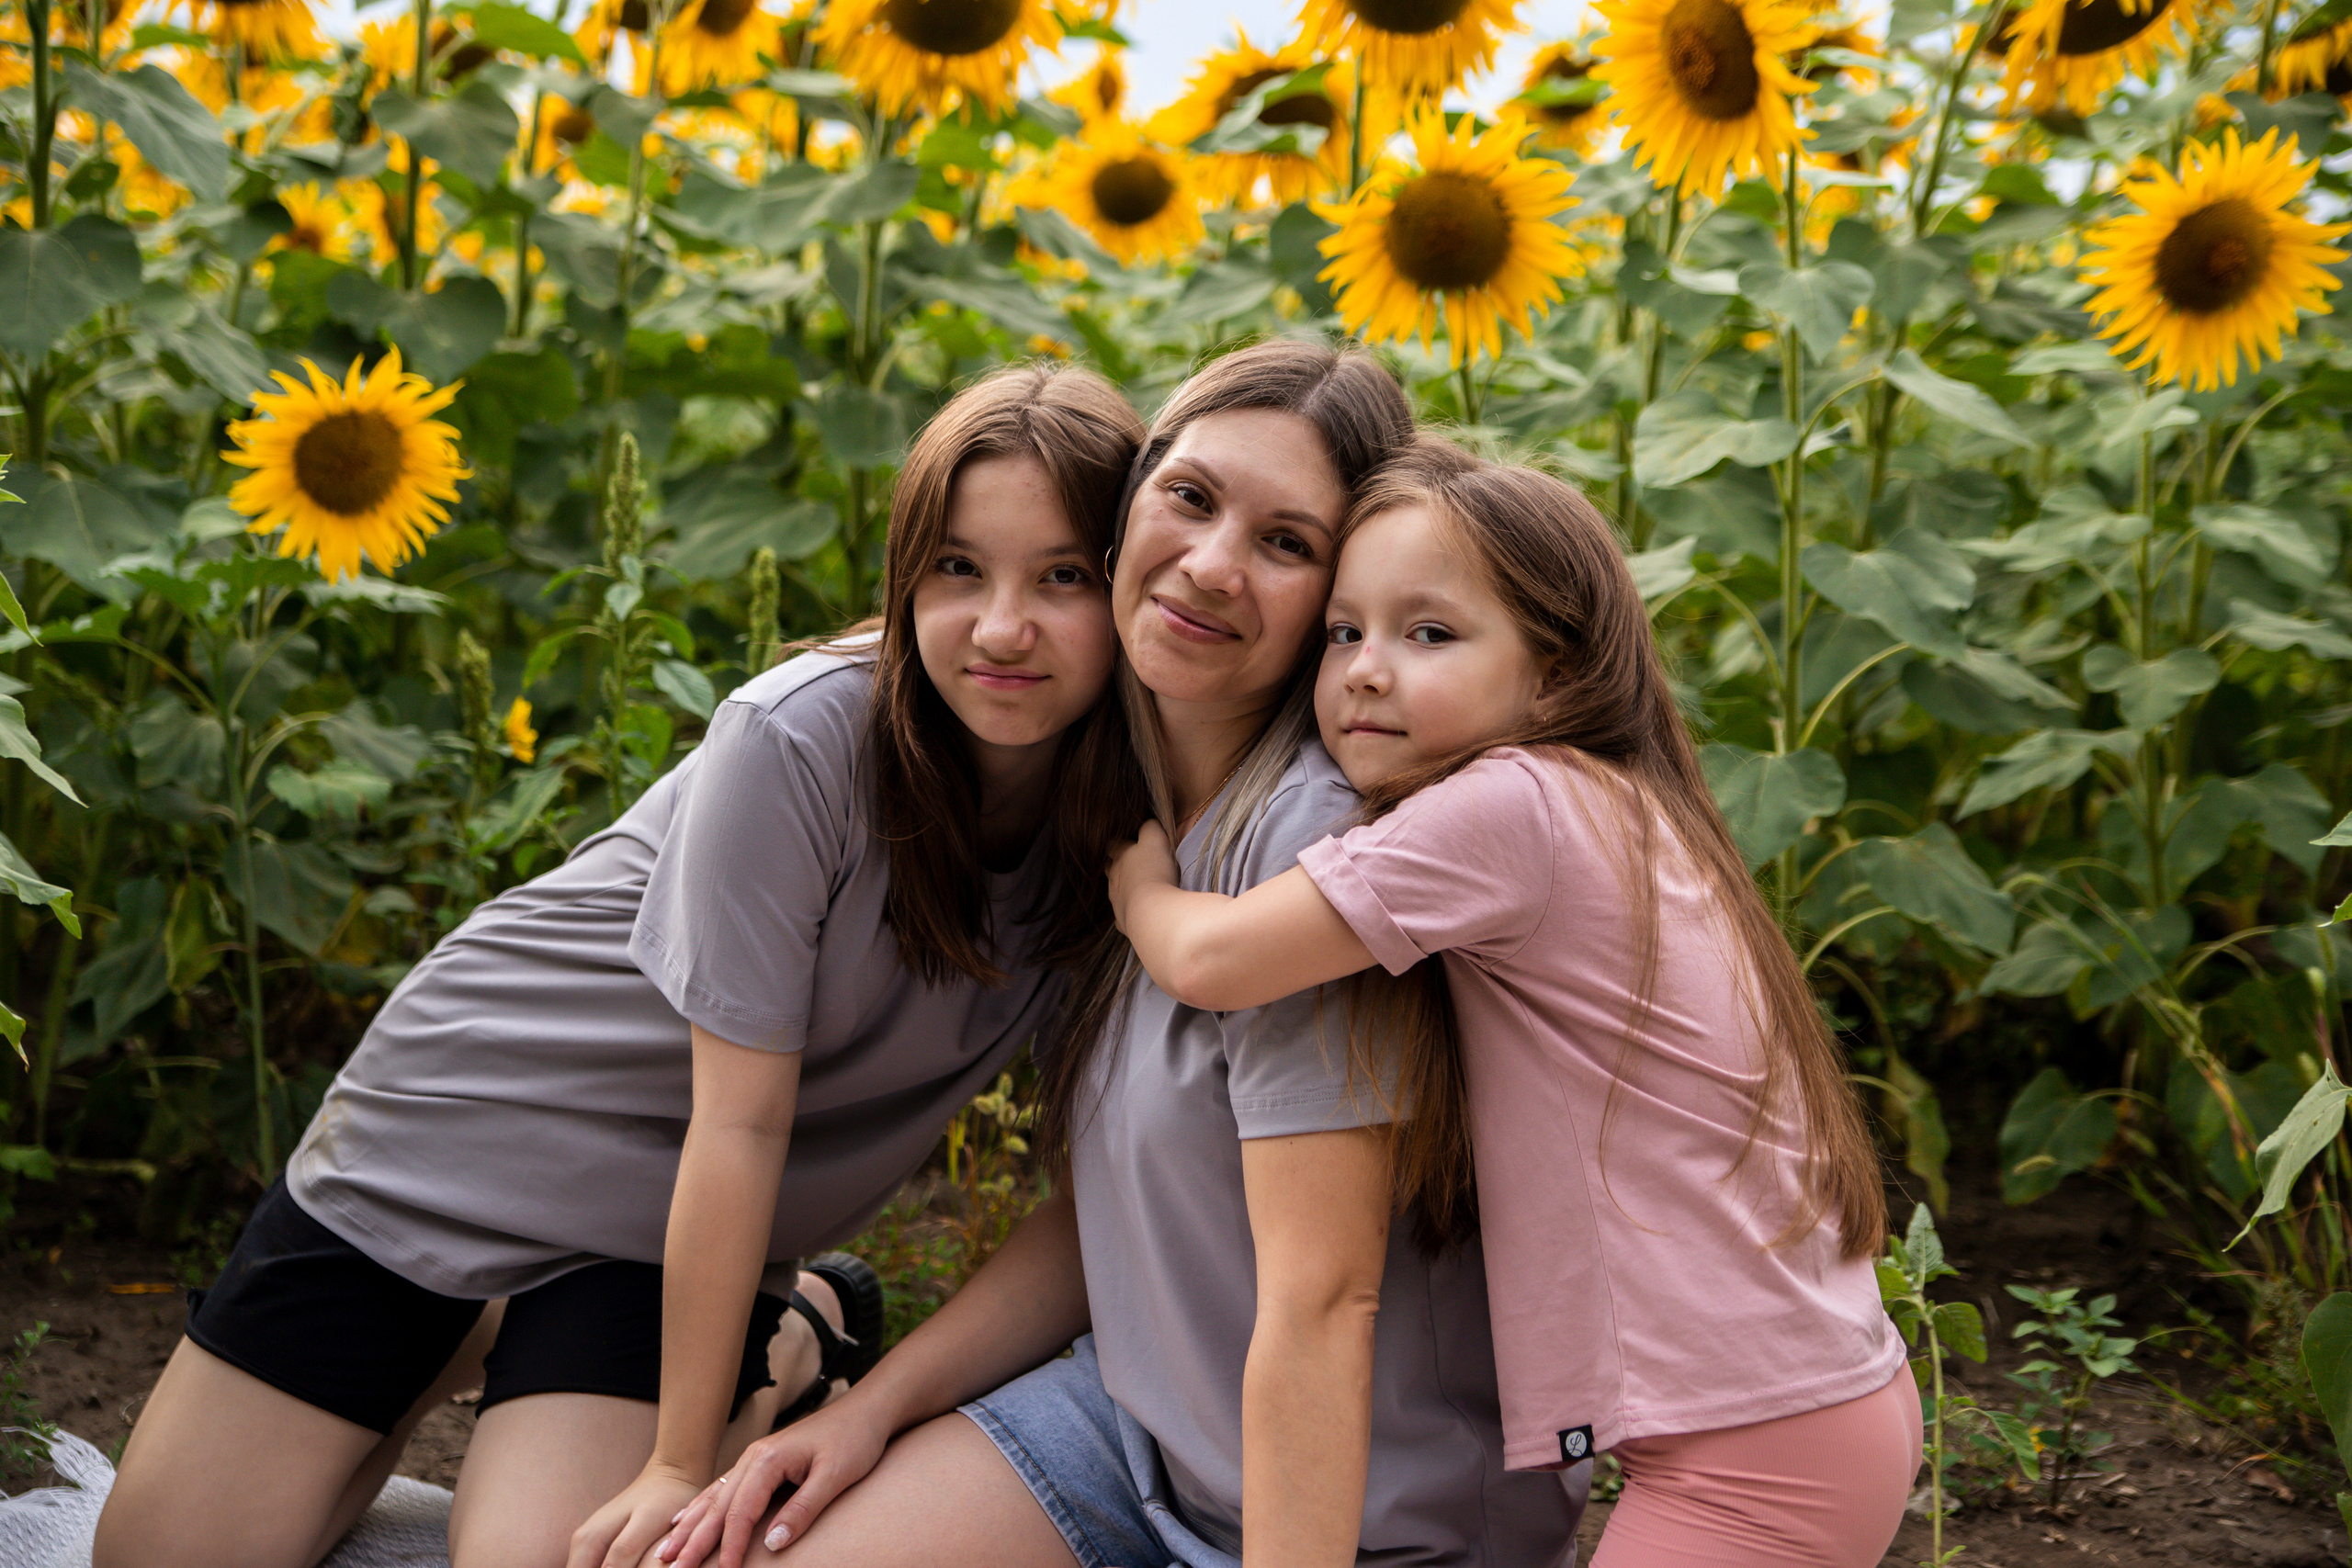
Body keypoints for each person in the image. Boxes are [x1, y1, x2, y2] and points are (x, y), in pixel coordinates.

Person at [91, 363, 1147, 1568]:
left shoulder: (1137, 829)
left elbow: (1094, 1197)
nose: (1002, 626)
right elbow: (740, 1118)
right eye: (958, 567)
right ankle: (484, 1329)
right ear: (907, 571)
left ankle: (791, 1331)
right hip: (455, 1139)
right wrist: (680, 1466)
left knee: (555, 1560)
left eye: (1064, 575)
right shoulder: (796, 734)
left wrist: (677, 1469)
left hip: (662, 1236)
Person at [657, 341, 1583, 1568]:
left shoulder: (1311, 854)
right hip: (1135, 1434)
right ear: (1128, 506)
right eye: (1190, 496)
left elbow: (1321, 1303)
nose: (1211, 565)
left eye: (1286, 542)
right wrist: (874, 1410)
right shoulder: (1122, 808)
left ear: (1339, 592)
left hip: (1356, 1518)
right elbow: (1120, 1218)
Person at [1105, 435, 1918, 1568]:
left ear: (1555, 676)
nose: (1365, 671)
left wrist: (1139, 887)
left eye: (1429, 634)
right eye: (1344, 632)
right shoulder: (1611, 801)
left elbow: (1215, 960)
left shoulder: (1508, 808)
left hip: (1758, 1454)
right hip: (1805, 1406)